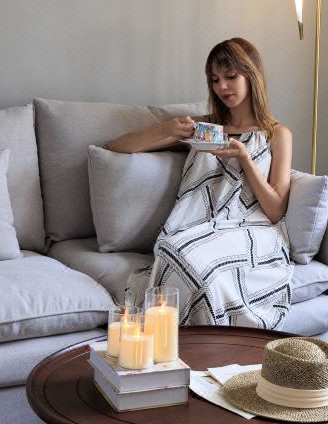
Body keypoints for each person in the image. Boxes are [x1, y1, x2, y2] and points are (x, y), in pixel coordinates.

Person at [112, 37, 294, 329]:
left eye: (230, 77)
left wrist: (245, 159)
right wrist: (167, 128)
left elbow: (275, 211)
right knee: (175, 251)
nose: (222, 87)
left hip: (253, 230)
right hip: (195, 228)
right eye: (215, 79)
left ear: (252, 75)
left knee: (192, 262)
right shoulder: (205, 129)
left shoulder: (277, 134)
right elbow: (119, 147)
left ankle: (208, 344)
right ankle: (183, 345)